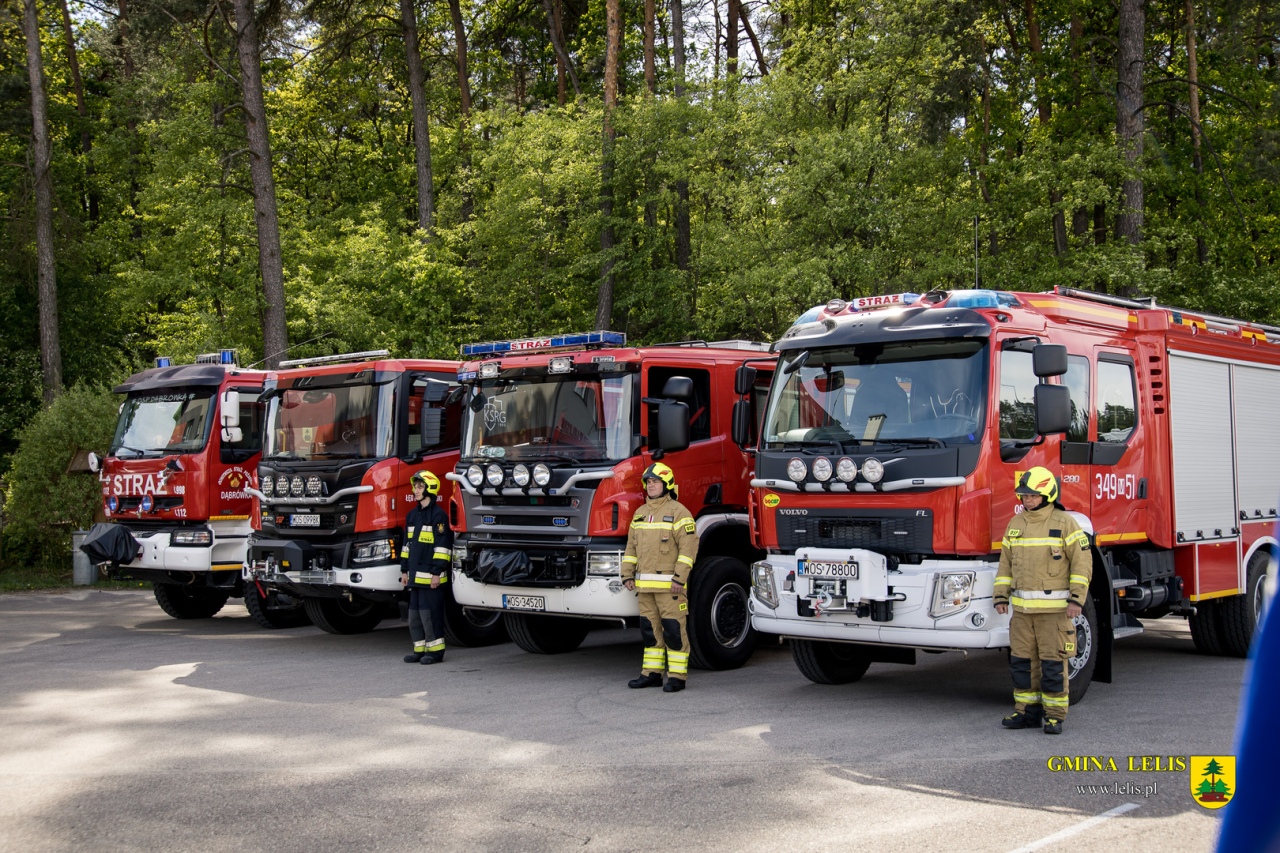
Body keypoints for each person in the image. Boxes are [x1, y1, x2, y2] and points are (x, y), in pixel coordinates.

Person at [993, 466, 1091, 734]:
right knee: (1022, 664)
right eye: (1024, 496)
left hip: (1054, 613)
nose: (1028, 500)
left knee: (1052, 665)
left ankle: (1055, 716)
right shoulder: (1016, 524)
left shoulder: (1065, 523)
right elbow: (1005, 565)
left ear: (1048, 495)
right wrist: (1000, 596)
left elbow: (1082, 565)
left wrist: (1076, 600)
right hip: (1022, 614)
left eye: (1033, 496)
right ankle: (1026, 712)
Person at [622, 462, 699, 693]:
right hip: (644, 588)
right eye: (648, 482)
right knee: (649, 631)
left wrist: (679, 579)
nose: (651, 486)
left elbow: (688, 550)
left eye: (655, 482)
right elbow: (631, 548)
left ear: (667, 484)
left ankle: (677, 677)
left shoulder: (679, 512)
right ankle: (652, 674)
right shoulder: (640, 513)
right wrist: (627, 574)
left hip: (670, 588)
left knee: (674, 631)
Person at [400, 470, 452, 664]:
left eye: (420, 486)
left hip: (431, 578)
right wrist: (404, 571)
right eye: (415, 486)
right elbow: (406, 545)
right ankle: (419, 650)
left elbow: (443, 547)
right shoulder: (412, 515)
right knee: (415, 616)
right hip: (414, 576)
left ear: (430, 488)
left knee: (431, 616)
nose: (416, 490)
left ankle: (435, 652)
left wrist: (437, 572)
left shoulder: (439, 516)